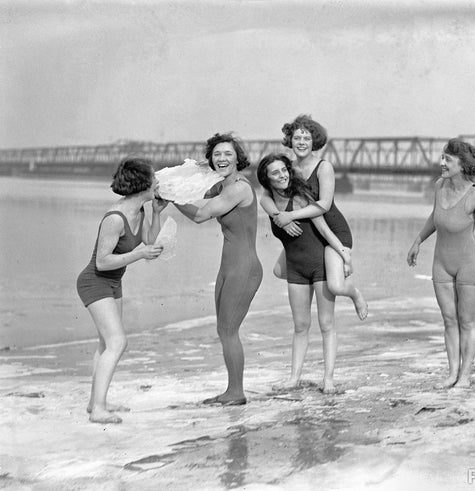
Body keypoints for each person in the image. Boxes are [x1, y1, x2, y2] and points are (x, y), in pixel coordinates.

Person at [407, 138, 475, 389]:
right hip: (441, 263)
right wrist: (417, 241)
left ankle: (465, 376)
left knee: (468, 322)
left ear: (462, 165)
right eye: (442, 157)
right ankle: (452, 373)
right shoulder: (439, 186)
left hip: (470, 266)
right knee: (449, 320)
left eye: (448, 159)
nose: (441, 163)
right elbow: (435, 217)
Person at [172, 133, 263, 406]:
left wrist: (170, 198)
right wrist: (181, 178)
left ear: (238, 158)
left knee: (228, 331)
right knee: (223, 330)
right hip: (229, 267)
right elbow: (197, 192)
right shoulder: (223, 185)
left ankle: (236, 393)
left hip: (244, 268)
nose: (222, 158)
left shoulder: (239, 188)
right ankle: (232, 389)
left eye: (228, 154)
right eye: (217, 154)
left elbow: (200, 215)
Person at [77, 156, 166, 424]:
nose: (159, 182)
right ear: (143, 185)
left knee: (106, 343)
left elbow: (149, 241)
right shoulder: (115, 218)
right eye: (155, 178)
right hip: (95, 281)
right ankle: (99, 410)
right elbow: (102, 262)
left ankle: (96, 403)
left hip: (114, 282)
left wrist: (158, 213)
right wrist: (139, 254)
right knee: (118, 342)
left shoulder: (139, 210)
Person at [257, 153, 352, 394]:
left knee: (326, 324)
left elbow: (324, 228)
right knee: (300, 325)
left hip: (319, 264)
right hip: (296, 268)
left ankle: (328, 379)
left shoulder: (300, 199)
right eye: (275, 173)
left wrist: (344, 254)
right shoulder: (268, 202)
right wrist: (280, 218)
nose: (282, 175)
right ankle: (294, 378)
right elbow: (266, 204)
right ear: (266, 179)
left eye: (284, 170)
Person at [260, 114, 368, 321]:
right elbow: (264, 198)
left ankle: (354, 293)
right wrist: (277, 216)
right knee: (278, 271)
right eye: (297, 138)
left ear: (314, 141)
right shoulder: (287, 168)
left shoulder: (324, 167)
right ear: (290, 140)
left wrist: (289, 215)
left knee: (335, 286)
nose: (301, 143)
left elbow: (323, 205)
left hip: (333, 230)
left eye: (307, 138)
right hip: (310, 233)